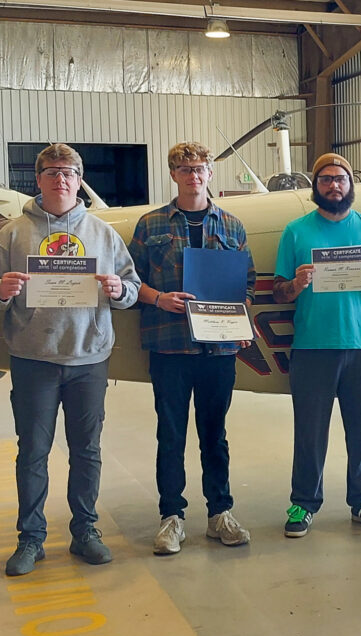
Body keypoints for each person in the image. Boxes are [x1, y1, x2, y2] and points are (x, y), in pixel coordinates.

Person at [0, 143, 140, 576]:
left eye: (69, 172)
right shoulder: (13, 233)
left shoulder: (103, 233)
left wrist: (120, 292)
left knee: (86, 451)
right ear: (39, 179)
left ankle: (85, 530)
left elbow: (132, 287)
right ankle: (31, 538)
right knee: (32, 451)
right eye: (52, 172)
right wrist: (0, 290)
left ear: (79, 179)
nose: (61, 179)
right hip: (34, 358)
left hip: (89, 358)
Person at [129, 142, 256, 555]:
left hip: (217, 352)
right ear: (173, 174)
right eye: (184, 169)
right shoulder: (149, 225)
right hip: (169, 348)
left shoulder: (233, 226)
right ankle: (172, 517)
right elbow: (131, 282)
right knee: (171, 435)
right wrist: (157, 298)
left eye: (199, 168)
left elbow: (247, 285)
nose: (193, 175)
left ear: (210, 173)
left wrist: (241, 319)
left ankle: (220, 512)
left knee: (215, 435)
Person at [273, 152, 361, 537]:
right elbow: (279, 293)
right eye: (326, 179)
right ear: (316, 186)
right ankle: (303, 503)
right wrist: (295, 284)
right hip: (312, 346)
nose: (333, 185)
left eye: (340, 179)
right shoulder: (296, 232)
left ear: (350, 185)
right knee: (310, 431)